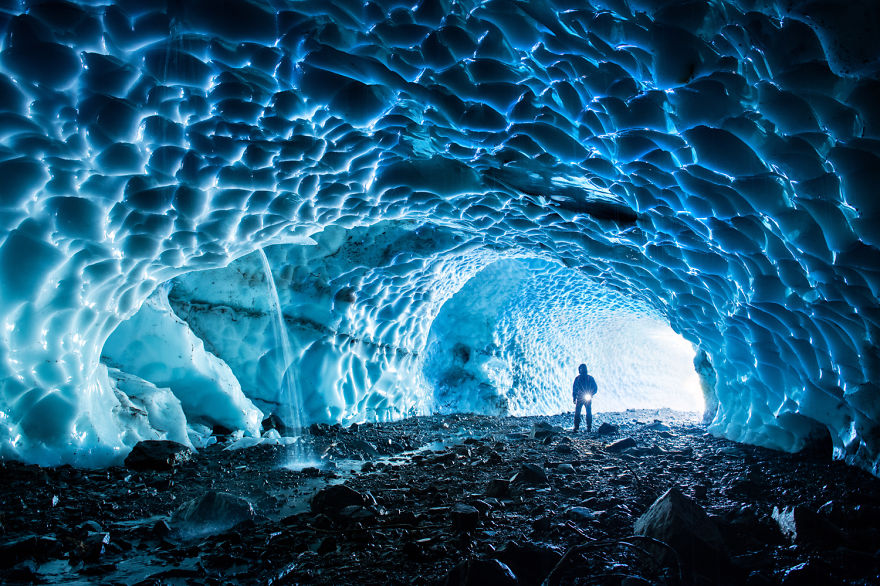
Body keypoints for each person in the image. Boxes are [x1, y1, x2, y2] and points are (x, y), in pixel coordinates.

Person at [572, 364, 598, 432]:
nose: (582, 370)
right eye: (581, 369)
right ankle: (576, 427)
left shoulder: (590, 378)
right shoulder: (577, 379)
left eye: (583, 369)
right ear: (579, 370)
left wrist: (591, 394)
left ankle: (589, 427)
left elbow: (595, 388)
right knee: (577, 413)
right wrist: (574, 397)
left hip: (587, 397)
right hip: (580, 397)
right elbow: (574, 388)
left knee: (588, 412)